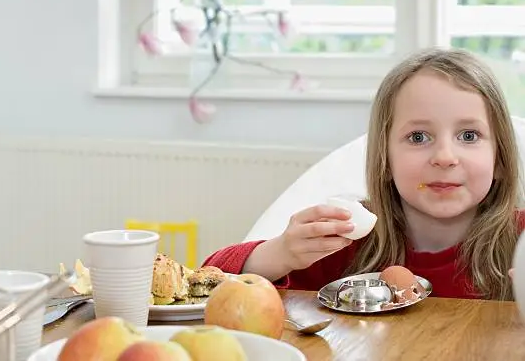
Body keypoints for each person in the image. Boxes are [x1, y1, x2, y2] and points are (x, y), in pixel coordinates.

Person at [203, 47, 524, 301]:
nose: (444, 157)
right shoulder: (345, 242)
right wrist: (280, 253)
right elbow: (204, 284)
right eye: (418, 137)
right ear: (385, 159)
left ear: (499, 158)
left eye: (468, 136)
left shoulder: (520, 240)